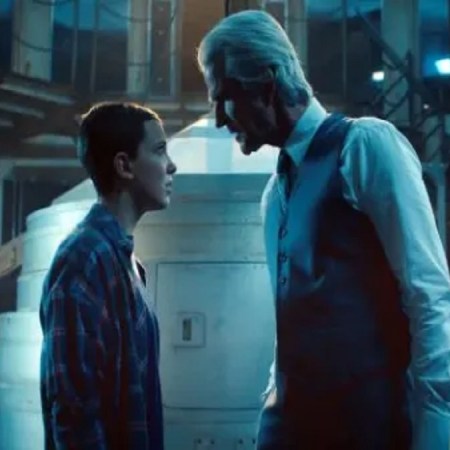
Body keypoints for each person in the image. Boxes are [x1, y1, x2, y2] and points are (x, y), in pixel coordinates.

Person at [197, 10, 450, 450]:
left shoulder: (365, 145)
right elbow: (292, 328)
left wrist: (435, 431)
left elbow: (427, 294)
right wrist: (271, 417)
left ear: (267, 84)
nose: (219, 118)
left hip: (370, 429)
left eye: (225, 98)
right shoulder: (274, 195)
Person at [39, 102, 176, 450]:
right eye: (160, 150)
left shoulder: (126, 262)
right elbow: (74, 412)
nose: (172, 165)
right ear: (124, 166)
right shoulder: (83, 261)